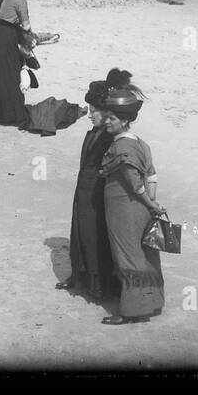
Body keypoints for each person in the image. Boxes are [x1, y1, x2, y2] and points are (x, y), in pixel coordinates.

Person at [98, 85, 166, 325]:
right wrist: (153, 203)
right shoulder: (140, 143)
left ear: (124, 121)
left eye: (112, 118)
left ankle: (132, 310)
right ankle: (153, 302)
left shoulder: (121, 147)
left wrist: (149, 202)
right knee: (146, 254)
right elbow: (152, 176)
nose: (107, 121)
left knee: (127, 256)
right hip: (141, 210)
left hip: (124, 208)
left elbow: (135, 184)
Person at [55, 72, 126, 300]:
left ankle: (98, 286)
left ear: (107, 112)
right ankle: (81, 277)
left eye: (94, 110)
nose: (90, 114)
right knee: (82, 233)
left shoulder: (110, 136)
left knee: (96, 237)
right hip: (84, 192)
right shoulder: (97, 132)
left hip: (98, 196)